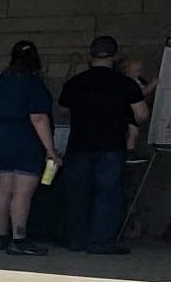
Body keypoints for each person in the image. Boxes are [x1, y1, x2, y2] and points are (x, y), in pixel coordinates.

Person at [59, 35, 147, 255]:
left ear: (90, 56)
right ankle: (101, 242)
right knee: (108, 194)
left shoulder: (76, 82)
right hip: (111, 146)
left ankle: (77, 239)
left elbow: (62, 109)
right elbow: (142, 114)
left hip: (79, 145)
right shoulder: (125, 84)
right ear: (115, 57)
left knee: (78, 194)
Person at [0, 40, 58, 255]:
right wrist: (50, 150)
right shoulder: (32, 83)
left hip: (3, 140)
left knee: (4, 189)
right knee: (22, 193)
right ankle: (19, 239)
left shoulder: (2, 80)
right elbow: (38, 118)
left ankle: (1, 236)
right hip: (27, 141)